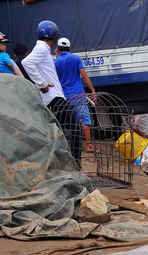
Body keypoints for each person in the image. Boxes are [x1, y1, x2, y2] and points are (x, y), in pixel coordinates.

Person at [21, 20, 81, 160]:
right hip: (54, 98)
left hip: (54, 97)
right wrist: (43, 84)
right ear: (55, 37)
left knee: (57, 132)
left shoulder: (44, 49)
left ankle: (63, 162)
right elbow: (27, 63)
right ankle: (77, 164)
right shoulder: (42, 49)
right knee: (76, 127)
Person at [55, 37, 98, 153]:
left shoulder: (56, 61)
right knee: (84, 119)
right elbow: (84, 75)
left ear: (57, 48)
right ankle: (89, 145)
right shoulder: (76, 58)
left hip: (65, 96)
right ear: (70, 48)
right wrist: (92, 90)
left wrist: (56, 55)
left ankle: (64, 148)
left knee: (67, 121)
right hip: (79, 94)